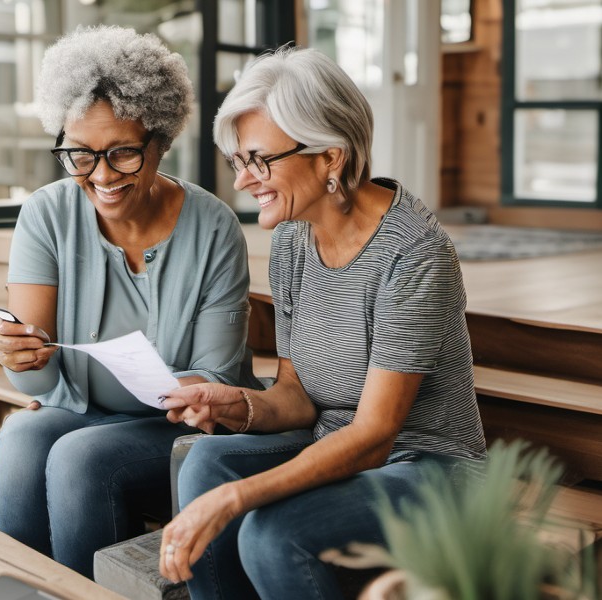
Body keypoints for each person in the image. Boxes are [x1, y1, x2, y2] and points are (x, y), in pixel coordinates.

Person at [157, 47, 486, 599]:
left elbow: (376, 436)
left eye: (259, 160)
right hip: (331, 439)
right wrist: (236, 403)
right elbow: (297, 395)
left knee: (274, 533)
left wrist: (238, 497)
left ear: (330, 157)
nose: (243, 181)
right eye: (239, 161)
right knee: (205, 464)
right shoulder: (291, 237)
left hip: (429, 467)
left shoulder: (416, 255)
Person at [0, 25, 260, 579]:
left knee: (80, 458)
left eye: (123, 154)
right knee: (20, 437)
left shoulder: (214, 228)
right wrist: (24, 360)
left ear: (160, 141)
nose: (103, 175)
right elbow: (39, 382)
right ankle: (15, 592)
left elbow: (214, 376)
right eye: (80, 156)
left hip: (185, 427)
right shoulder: (46, 215)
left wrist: (167, 382)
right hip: (84, 411)